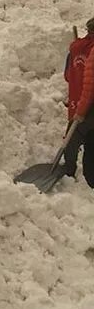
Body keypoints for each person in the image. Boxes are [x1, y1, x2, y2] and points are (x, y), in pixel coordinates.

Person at [64, 17, 94, 186]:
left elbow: (68, 76)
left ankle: (68, 173)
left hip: (80, 102)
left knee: (72, 139)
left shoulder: (76, 48)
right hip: (88, 104)